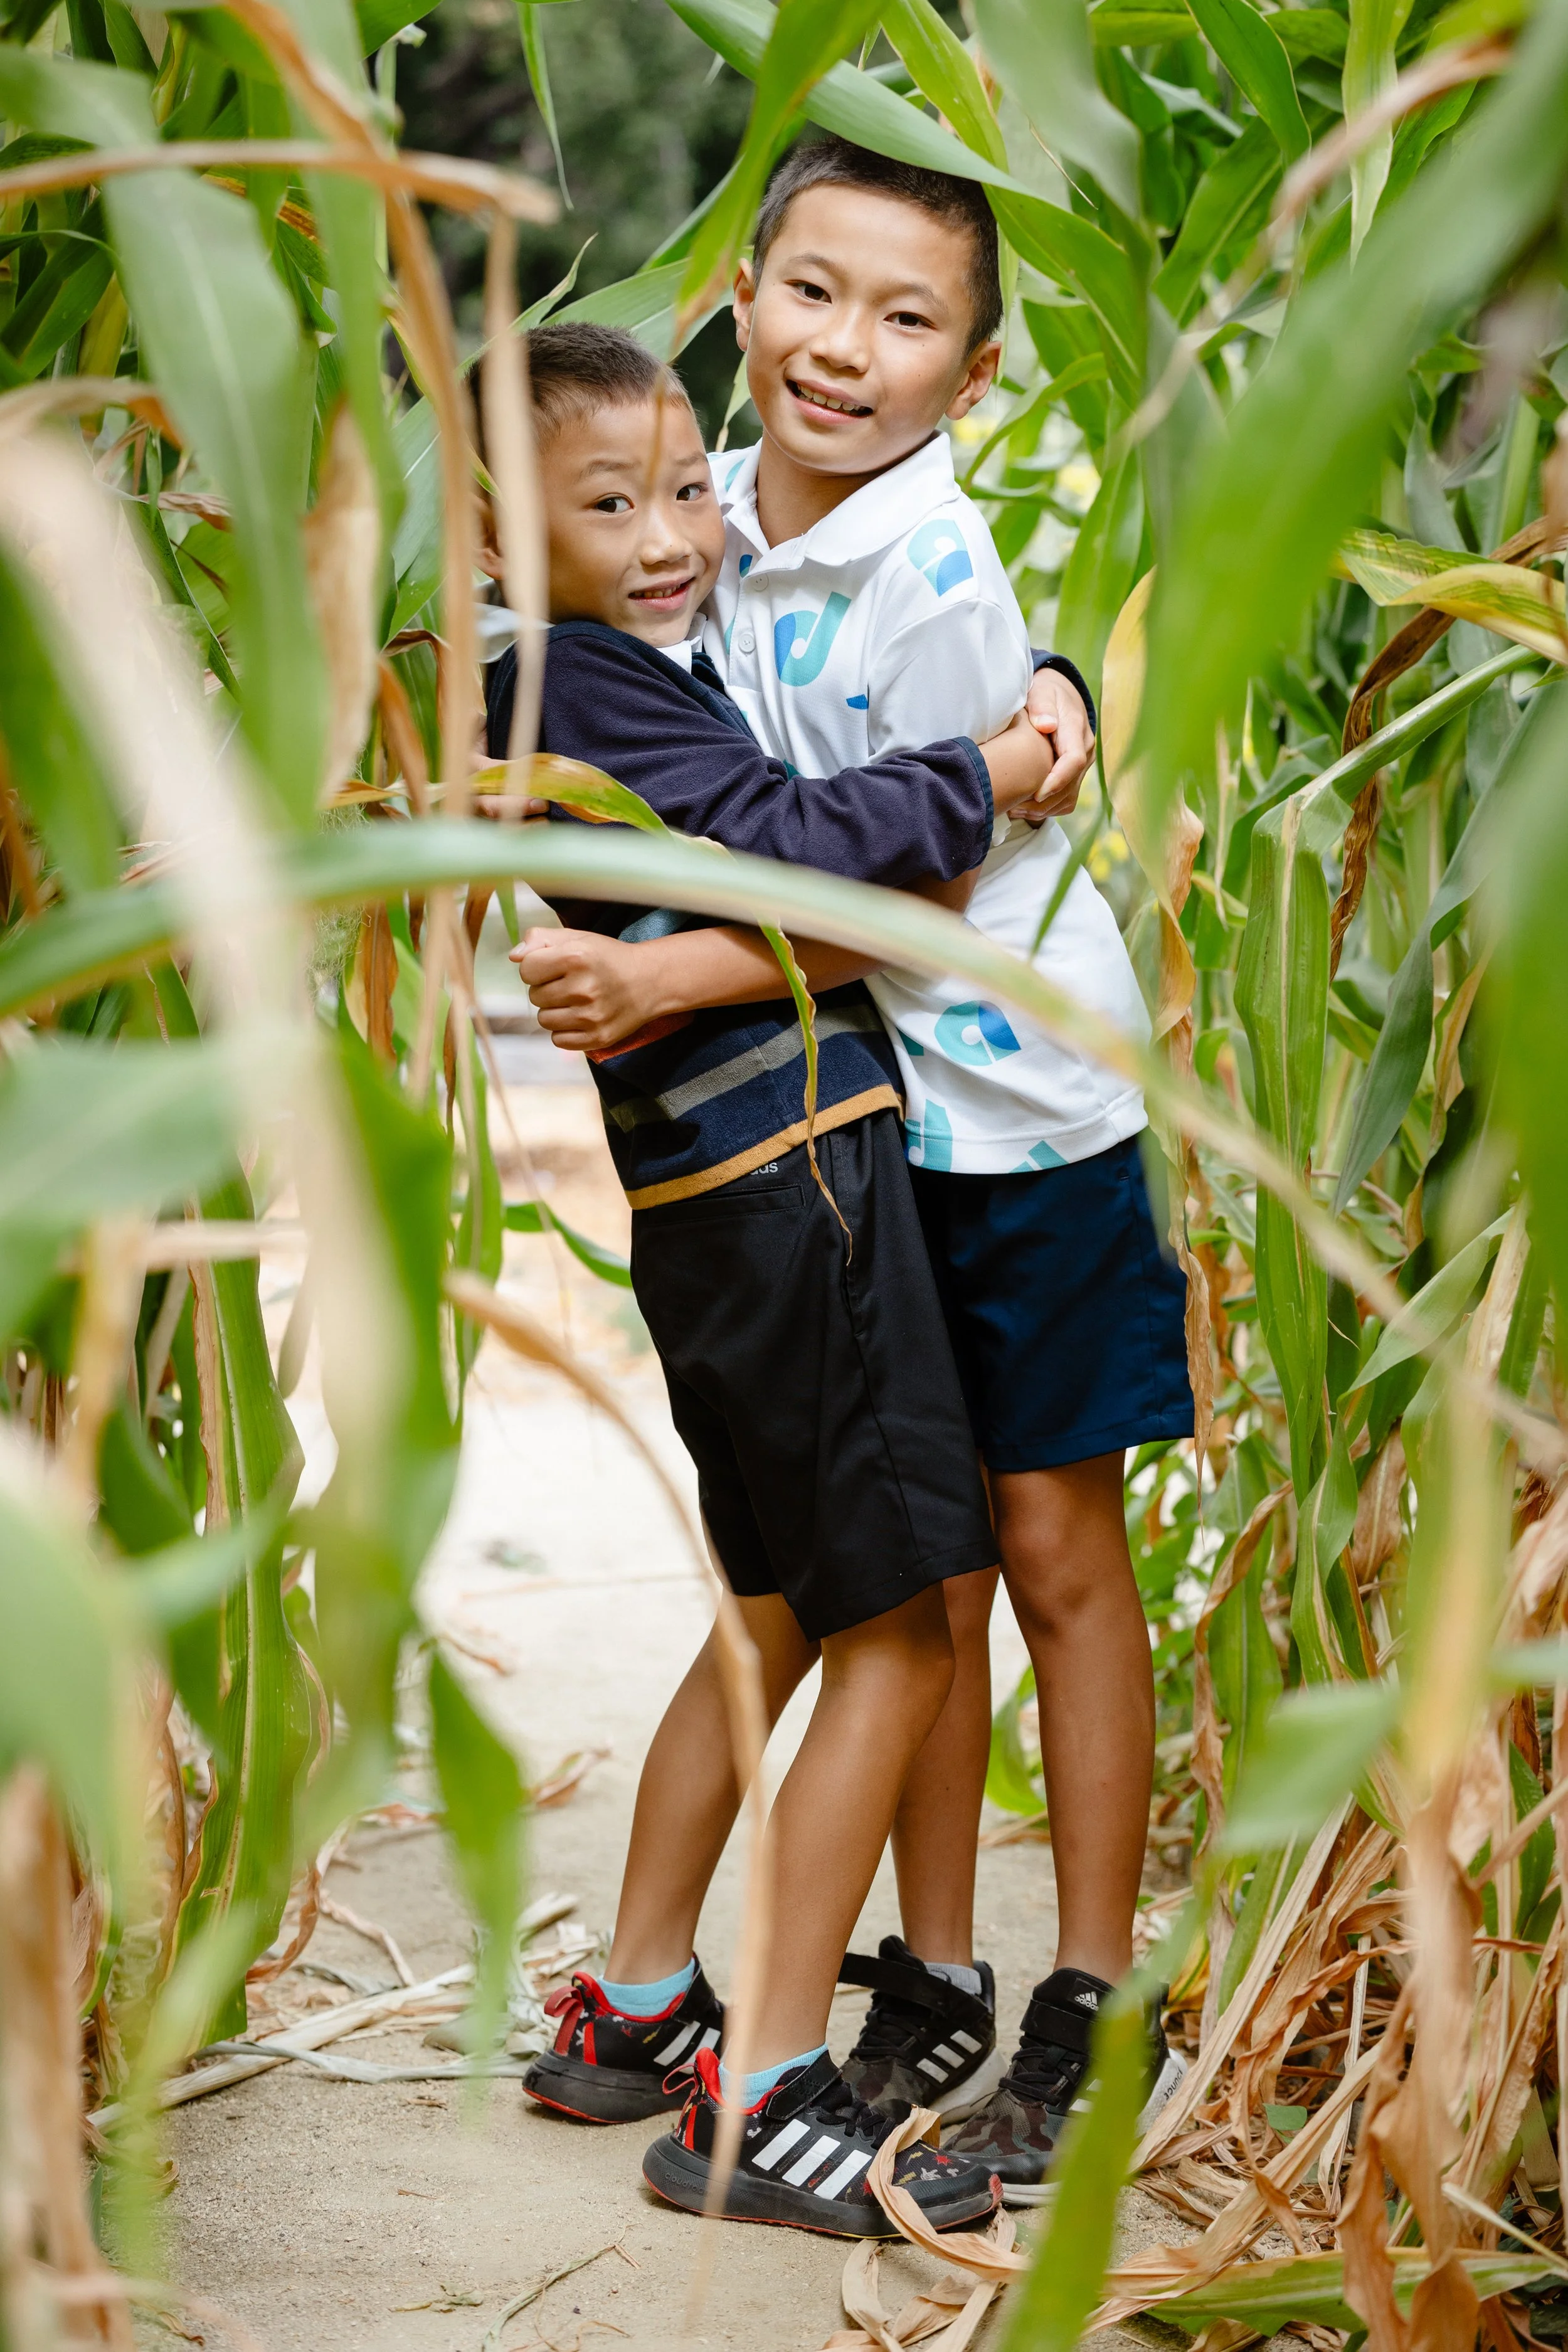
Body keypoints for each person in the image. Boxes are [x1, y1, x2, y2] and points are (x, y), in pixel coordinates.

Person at [517, 137, 1193, 2205]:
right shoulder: (694, 520)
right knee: (930, 1557)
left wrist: (667, 983)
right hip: (876, 1109)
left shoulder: (931, 572)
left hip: (1021, 1111)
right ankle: (933, 1969)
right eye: (811, 293)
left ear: (969, 376)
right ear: (740, 288)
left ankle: (1079, 1991)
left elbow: (930, 885)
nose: (843, 348)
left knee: (1052, 1550)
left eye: (906, 321)